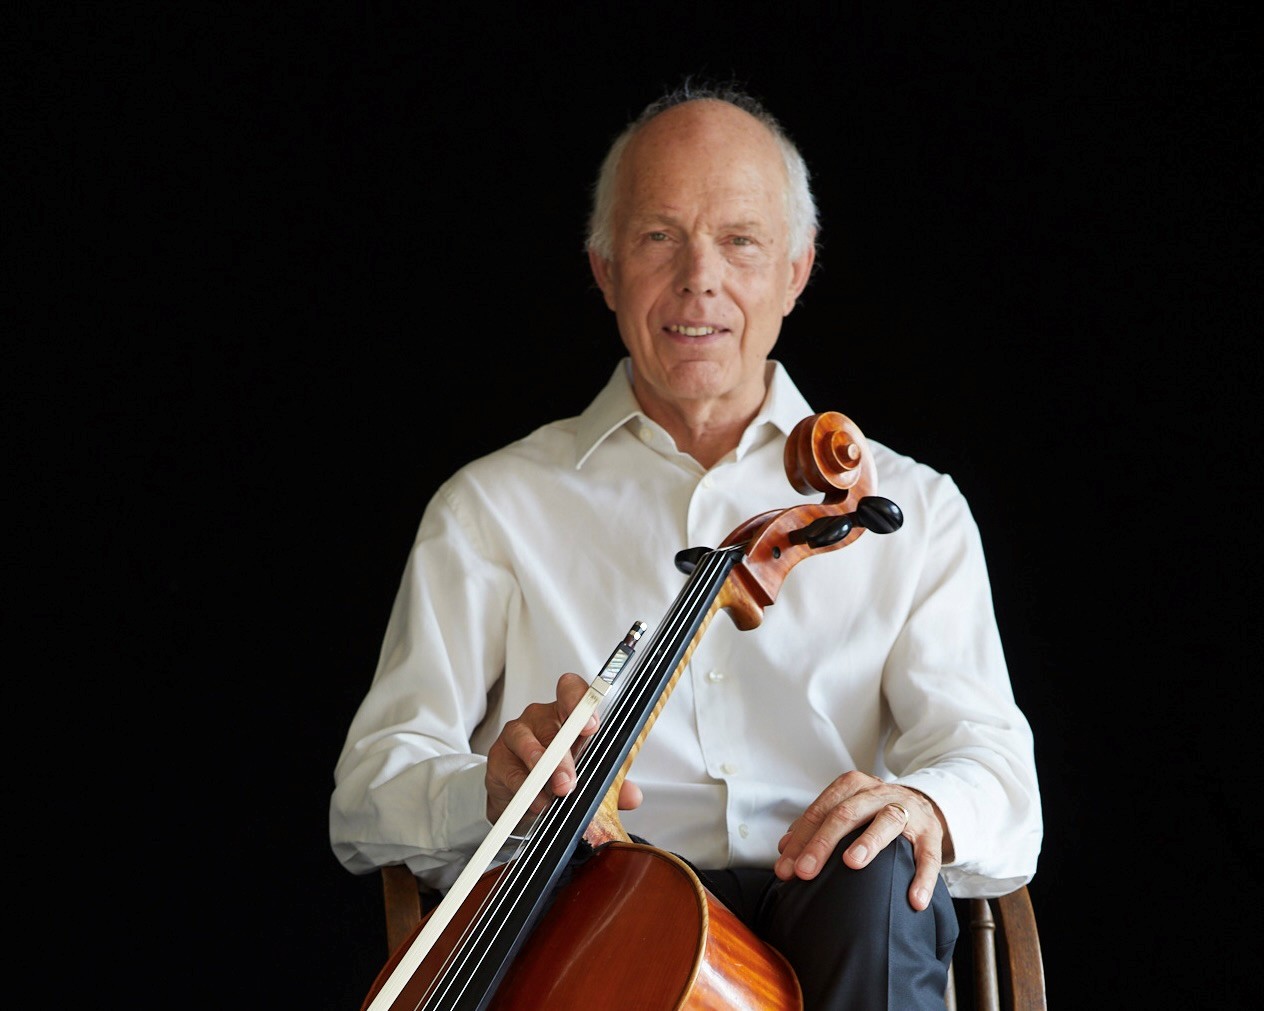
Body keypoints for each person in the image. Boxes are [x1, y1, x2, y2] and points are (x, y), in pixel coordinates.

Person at [330, 82, 1042, 1009]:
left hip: (837, 919)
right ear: (605, 269)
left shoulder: (918, 510)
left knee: (878, 873)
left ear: (796, 270)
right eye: (659, 236)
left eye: (740, 240)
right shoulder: (490, 508)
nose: (699, 277)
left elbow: (997, 775)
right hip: (598, 924)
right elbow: (369, 791)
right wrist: (492, 791)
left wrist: (926, 805)